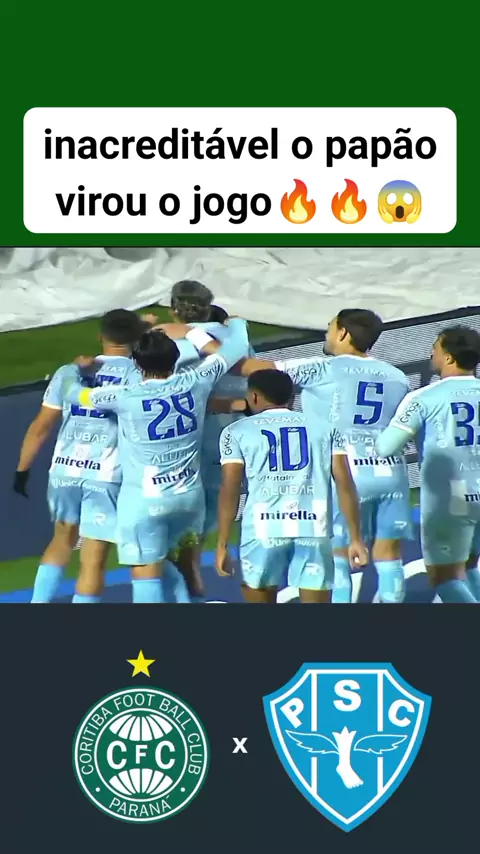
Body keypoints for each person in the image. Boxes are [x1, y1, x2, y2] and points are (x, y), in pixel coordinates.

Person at [61, 320, 249, 603]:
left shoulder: (123, 396)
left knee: (147, 576)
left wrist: (73, 369)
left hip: (144, 502)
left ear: (136, 364)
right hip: (188, 501)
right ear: (175, 357)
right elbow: (237, 345)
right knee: (185, 569)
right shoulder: (198, 380)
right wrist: (235, 322)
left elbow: (72, 393)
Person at [237, 309, 412, 604]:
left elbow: (254, 369)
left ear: (343, 333)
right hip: (390, 472)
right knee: (389, 554)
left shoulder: (321, 368)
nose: (326, 334)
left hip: (345, 473)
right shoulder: (398, 377)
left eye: (330, 327)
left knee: (336, 556)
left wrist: (213, 345)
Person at [13, 309, 144, 603]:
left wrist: (22, 469)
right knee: (93, 556)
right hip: (107, 474)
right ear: (136, 338)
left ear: (100, 336)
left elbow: (41, 426)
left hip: (64, 470)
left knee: (61, 540)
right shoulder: (138, 376)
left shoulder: (69, 372)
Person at [216, 369, 368, 603]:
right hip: (313, 528)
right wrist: (355, 538)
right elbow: (345, 482)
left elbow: (230, 488)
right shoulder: (326, 428)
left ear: (254, 396)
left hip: (262, 530)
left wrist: (223, 543)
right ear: (292, 396)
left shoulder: (235, 432)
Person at [144, 281, 255, 599]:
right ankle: (192, 566)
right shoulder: (234, 340)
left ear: (173, 308)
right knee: (209, 508)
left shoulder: (165, 340)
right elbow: (254, 374)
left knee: (173, 512)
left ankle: (173, 577)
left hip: (182, 438)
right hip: (229, 436)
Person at [376, 325, 480, 604]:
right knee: (469, 564)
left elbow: (385, 447)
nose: (430, 353)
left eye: (435, 348)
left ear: (448, 357)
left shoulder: (424, 398)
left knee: (443, 576)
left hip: (449, 498)